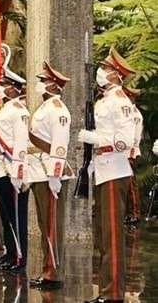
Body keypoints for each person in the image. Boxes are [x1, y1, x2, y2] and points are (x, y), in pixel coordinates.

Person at [79, 48, 136, 303]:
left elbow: (125, 141)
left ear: (115, 75)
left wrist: (96, 140)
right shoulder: (104, 101)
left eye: (105, 68)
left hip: (115, 171)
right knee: (103, 235)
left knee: (112, 236)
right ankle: (105, 291)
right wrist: (91, 160)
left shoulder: (120, 102)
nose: (101, 72)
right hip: (103, 170)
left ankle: (113, 294)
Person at [26, 62, 72, 290]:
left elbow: (60, 144)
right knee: (45, 224)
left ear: (53, 85)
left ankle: (54, 273)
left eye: (43, 81)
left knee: (53, 225)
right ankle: (47, 269)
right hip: (38, 171)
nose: (39, 84)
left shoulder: (58, 109)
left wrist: (55, 174)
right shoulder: (45, 107)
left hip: (49, 173)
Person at [0, 66, 29, 272]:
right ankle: (10, 253)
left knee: (16, 216)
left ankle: (19, 257)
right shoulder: (0, 109)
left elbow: (21, 143)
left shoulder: (19, 111)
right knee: (5, 215)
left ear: (14, 89)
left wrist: (18, 171)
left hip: (10, 167)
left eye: (3, 85)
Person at [123, 85, 143, 225]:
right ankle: (129, 213)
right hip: (123, 153)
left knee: (131, 184)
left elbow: (135, 137)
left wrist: (130, 155)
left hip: (131, 153)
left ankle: (134, 213)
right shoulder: (127, 112)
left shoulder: (135, 115)